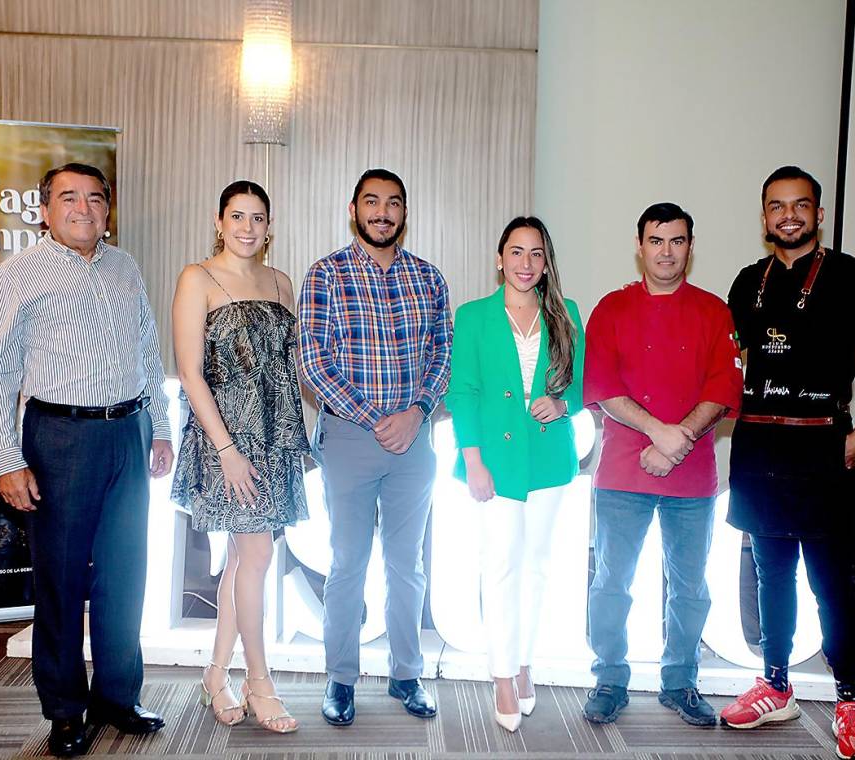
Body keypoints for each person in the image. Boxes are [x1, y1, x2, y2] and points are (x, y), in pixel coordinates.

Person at [0, 163, 174, 758]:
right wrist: (8, 461)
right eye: (69, 198)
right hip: (59, 439)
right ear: (44, 210)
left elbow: (146, 346)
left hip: (129, 433)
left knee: (124, 575)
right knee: (60, 583)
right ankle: (65, 709)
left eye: (95, 198)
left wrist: (159, 428)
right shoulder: (18, 274)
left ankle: (118, 696)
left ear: (108, 210)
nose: (84, 208)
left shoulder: (125, 266)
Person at [720, 167, 855, 760]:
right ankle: (776, 685)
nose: (790, 216)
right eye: (777, 207)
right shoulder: (749, 282)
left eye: (801, 205)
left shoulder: (854, 277)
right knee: (771, 575)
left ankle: (848, 699)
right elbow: (724, 362)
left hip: (824, 450)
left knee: (832, 582)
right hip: (760, 449)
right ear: (765, 218)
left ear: (819, 215)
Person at [298, 168, 451, 727]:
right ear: (353, 209)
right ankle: (340, 679)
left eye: (393, 204)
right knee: (347, 564)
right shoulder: (325, 275)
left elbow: (442, 355)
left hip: (414, 441)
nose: (382, 212)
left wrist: (415, 414)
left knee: (407, 565)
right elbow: (315, 361)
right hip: (348, 439)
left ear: (404, 213)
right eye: (372, 202)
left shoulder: (429, 279)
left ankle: (406, 674)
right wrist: (376, 419)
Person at [581, 203, 743, 728]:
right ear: (640, 245)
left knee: (690, 584)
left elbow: (724, 386)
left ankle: (680, 681)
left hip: (692, 476)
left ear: (690, 248)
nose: (666, 251)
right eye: (657, 240)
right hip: (623, 469)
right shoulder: (611, 308)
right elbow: (603, 386)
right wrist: (659, 432)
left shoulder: (715, 312)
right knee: (611, 580)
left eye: (677, 241)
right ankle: (609, 677)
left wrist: (681, 438)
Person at [170, 180, 309, 734]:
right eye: (237, 216)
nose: (248, 227)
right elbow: (189, 372)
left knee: (243, 560)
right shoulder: (196, 278)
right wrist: (226, 449)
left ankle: (214, 674)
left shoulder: (281, 281)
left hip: (274, 440)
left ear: (268, 226)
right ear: (218, 220)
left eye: (258, 218)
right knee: (257, 559)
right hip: (224, 439)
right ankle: (259, 681)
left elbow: (292, 366)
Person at [445, 216, 585, 732]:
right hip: (496, 465)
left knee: (538, 567)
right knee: (501, 566)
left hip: (548, 459)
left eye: (536, 254)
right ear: (499, 258)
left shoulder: (566, 313)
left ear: (546, 264)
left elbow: (580, 385)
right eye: (516, 252)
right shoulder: (474, 316)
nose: (526, 264)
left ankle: (526, 661)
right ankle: (502, 674)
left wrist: (561, 402)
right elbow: (463, 392)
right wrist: (473, 460)